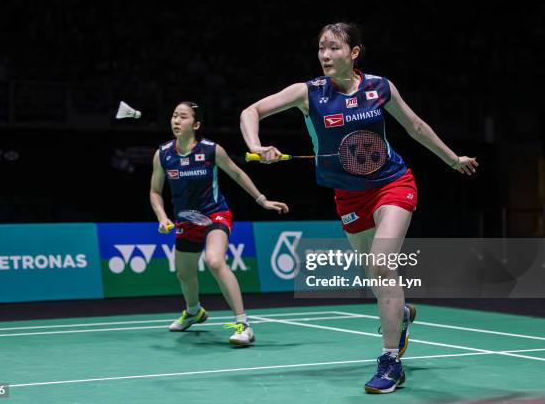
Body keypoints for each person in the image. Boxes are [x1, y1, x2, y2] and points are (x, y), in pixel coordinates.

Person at [239, 22, 478, 392]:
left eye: (334, 48)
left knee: (383, 262)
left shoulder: (379, 87)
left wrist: (451, 159)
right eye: (321, 48)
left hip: (392, 183)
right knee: (375, 277)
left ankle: (389, 361)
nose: (324, 55)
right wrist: (257, 146)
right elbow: (251, 111)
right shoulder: (309, 93)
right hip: (348, 196)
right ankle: (400, 315)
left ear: (354, 53)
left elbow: (414, 125)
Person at [150, 101, 289, 346]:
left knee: (215, 260)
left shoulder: (211, 150)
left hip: (215, 214)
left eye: (183, 117)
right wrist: (162, 216)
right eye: (174, 116)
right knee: (185, 273)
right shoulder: (163, 155)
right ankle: (194, 312)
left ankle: (243, 325)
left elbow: (236, 173)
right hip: (186, 219)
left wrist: (262, 200)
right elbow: (155, 191)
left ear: (196, 124)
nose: (176, 121)